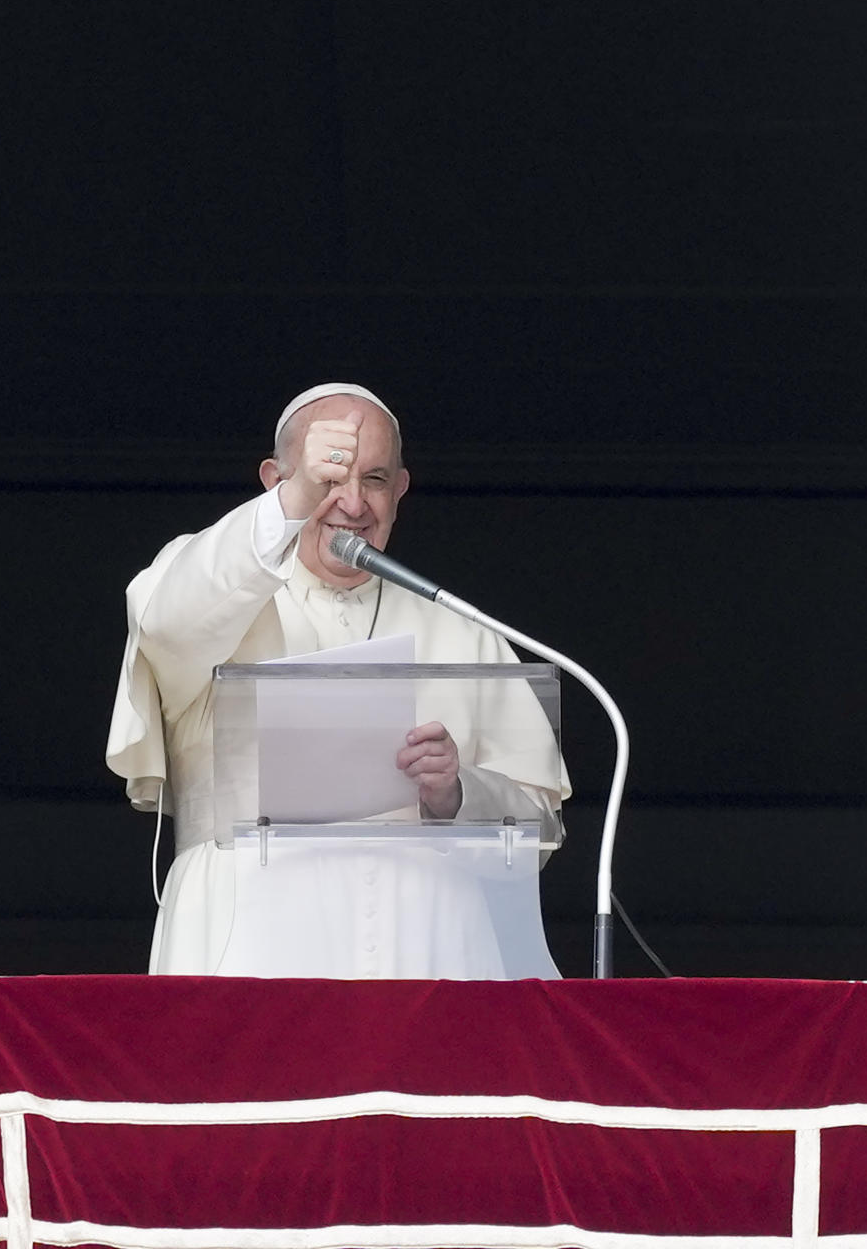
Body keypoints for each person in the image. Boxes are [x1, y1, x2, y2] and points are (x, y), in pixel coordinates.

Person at [106, 383, 570, 976]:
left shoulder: (462, 631)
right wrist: (293, 498)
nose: (353, 503)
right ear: (275, 479)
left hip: (426, 952)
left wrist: (456, 794)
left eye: (374, 480)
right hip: (249, 942)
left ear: (400, 491)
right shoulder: (211, 579)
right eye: (328, 479)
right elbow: (167, 627)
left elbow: (537, 831)